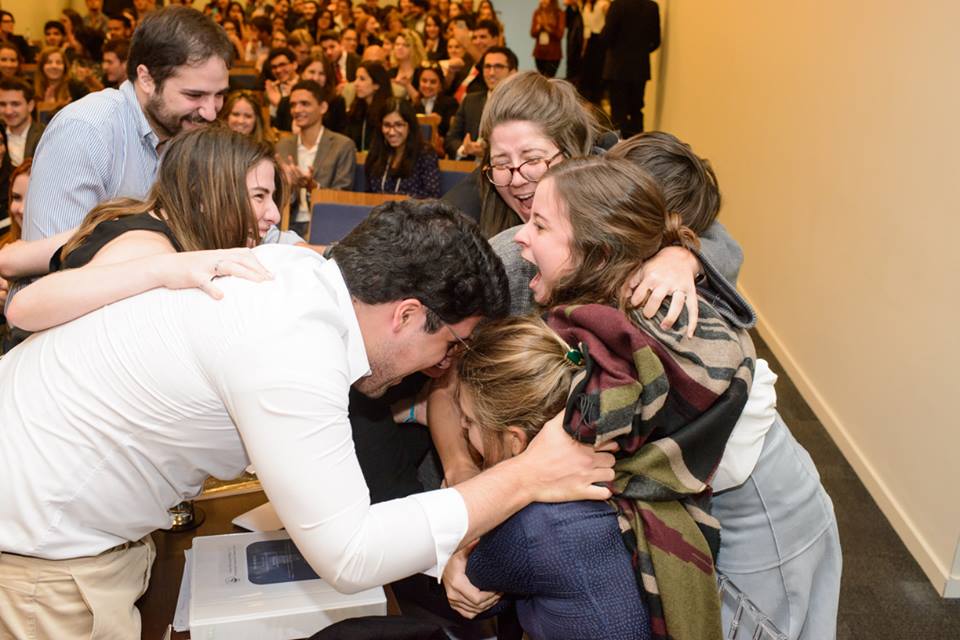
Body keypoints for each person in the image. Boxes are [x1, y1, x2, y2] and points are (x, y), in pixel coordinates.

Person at [0, 195, 614, 639]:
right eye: (449, 344)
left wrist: (445, 546)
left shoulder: (298, 277)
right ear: (405, 315)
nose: (441, 367)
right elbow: (350, 553)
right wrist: (527, 475)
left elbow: (332, 500)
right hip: (42, 557)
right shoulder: (292, 351)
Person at [6, 7, 232, 329]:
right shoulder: (87, 130)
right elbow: (59, 270)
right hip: (65, 329)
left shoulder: (188, 132)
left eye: (219, 96)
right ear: (146, 79)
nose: (210, 112)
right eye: (194, 95)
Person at [454, 316, 652, 640]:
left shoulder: (529, 527)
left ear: (515, 441)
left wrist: (455, 555)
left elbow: (477, 587)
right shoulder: (618, 462)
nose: (462, 427)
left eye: (470, 420)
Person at [1, 126, 283, 333]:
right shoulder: (147, 245)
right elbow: (24, 309)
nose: (275, 215)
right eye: (259, 196)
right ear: (202, 196)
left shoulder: (134, 213)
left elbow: (12, 260)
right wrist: (161, 268)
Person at [276, 79, 357, 231]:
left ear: (323, 107)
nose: (297, 110)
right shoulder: (283, 146)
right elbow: (276, 195)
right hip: (286, 224)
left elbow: (343, 197)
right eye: (293, 105)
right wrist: (290, 186)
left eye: (305, 104)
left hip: (326, 224)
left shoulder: (342, 145)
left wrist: (312, 187)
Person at [444, 45, 515, 161]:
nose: (491, 73)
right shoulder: (470, 101)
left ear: (512, 72)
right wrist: (464, 149)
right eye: (487, 67)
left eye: (498, 66)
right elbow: (451, 139)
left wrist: (487, 153)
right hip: (469, 167)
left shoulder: (520, 105)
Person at [601, 0, 659, 136]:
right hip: (640, 67)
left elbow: (605, 37)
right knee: (636, 109)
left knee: (618, 111)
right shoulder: (652, 7)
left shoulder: (618, 5)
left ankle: (620, 145)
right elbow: (656, 41)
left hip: (617, 67)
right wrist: (640, 52)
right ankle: (638, 143)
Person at [365, 96, 439, 198]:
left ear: (410, 126)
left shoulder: (425, 154)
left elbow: (431, 196)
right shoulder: (376, 152)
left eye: (399, 125)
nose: (391, 132)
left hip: (411, 208)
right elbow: (368, 194)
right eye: (387, 125)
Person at [344, 60, 392, 151]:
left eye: (362, 79)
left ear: (376, 85)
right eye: (356, 78)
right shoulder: (355, 111)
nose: (356, 84)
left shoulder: (387, 112)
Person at [0, 78, 44, 168]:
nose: (8, 111)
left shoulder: (44, 136)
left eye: (15, 104)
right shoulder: (1, 132)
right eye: (2, 104)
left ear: (30, 105)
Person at [413, 62, 457, 140]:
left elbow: (454, 132)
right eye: (424, 81)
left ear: (440, 84)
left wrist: (440, 121)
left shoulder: (450, 104)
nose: (427, 85)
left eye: (433, 82)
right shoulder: (413, 105)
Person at [579, 0, 609, 105]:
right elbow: (586, 27)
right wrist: (584, 47)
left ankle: (597, 98)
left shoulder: (603, 4)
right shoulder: (585, 5)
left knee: (598, 69)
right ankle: (587, 99)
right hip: (589, 39)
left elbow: (610, 22)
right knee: (586, 70)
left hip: (600, 39)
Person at [530, 0, 565, 78]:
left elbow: (560, 34)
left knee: (549, 78)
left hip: (553, 54)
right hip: (539, 52)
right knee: (541, 78)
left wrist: (547, 27)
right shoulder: (537, 13)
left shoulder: (559, 13)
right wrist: (539, 27)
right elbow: (532, 33)